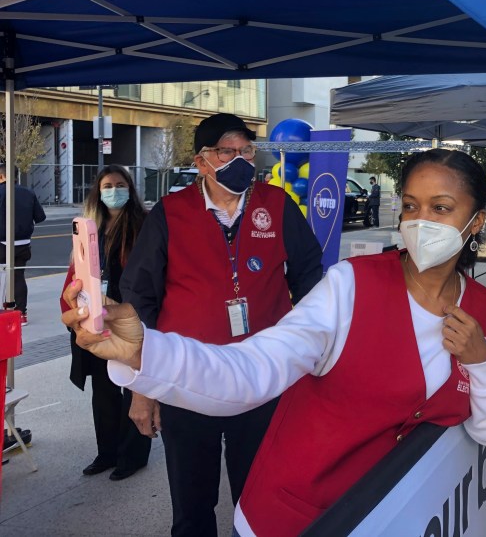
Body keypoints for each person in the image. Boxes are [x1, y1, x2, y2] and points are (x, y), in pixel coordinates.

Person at [64, 148, 486, 537]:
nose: (421, 221)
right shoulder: (349, 288)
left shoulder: (481, 310)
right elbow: (248, 371)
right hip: (293, 517)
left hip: (388, 520)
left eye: (441, 208)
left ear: (477, 220)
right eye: (410, 206)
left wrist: (481, 361)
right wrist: (145, 350)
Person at [118, 113, 324, 537]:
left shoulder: (276, 204)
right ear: (202, 161)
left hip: (263, 378)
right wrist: (142, 388)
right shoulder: (171, 214)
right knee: (192, 505)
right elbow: (140, 301)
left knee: (262, 496)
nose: (241, 160)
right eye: (228, 152)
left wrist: (309, 348)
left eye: (247, 150)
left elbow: (309, 277)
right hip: (189, 379)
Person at [60, 165, 151, 480]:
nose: (114, 190)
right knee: (103, 390)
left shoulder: (144, 225)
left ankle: (133, 455)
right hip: (96, 316)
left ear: (130, 188)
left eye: (120, 184)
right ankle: (107, 452)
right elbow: (76, 275)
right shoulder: (89, 227)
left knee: (133, 386)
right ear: (98, 192)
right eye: (108, 185)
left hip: (129, 316)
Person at [0, 166, 46, 326]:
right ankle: (21, 314)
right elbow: (40, 217)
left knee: (3, 277)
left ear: (1, 176)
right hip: (23, 243)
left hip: (2, 243)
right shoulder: (28, 192)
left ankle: (5, 307)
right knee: (18, 277)